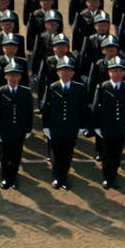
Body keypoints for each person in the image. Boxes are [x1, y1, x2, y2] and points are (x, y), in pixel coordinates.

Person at [41, 56, 89, 189]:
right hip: (56, 127)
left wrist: (82, 126)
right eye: (63, 70)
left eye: (69, 70)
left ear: (73, 73)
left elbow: (83, 109)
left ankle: (64, 177)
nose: (66, 73)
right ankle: (56, 178)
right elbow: (46, 108)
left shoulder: (79, 88)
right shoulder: (52, 87)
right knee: (56, 154)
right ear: (58, 72)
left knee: (67, 154)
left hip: (71, 127)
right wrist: (46, 126)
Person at [90, 57, 125, 189]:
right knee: (107, 154)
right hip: (106, 127)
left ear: (124, 73)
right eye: (114, 70)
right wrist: (96, 126)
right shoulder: (103, 87)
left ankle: (114, 175)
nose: (117, 73)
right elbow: (96, 108)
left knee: (117, 154)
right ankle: (107, 178)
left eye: (120, 70)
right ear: (109, 72)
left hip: (121, 127)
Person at [0, 61, 33, 189]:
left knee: (16, 157)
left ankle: (14, 178)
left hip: (19, 130)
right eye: (10, 75)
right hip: (5, 130)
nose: (13, 78)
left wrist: (28, 129)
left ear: (20, 77)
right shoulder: (0, 91)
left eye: (16, 75)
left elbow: (29, 112)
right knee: (4, 157)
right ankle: (5, 178)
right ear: (5, 76)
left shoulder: (26, 92)